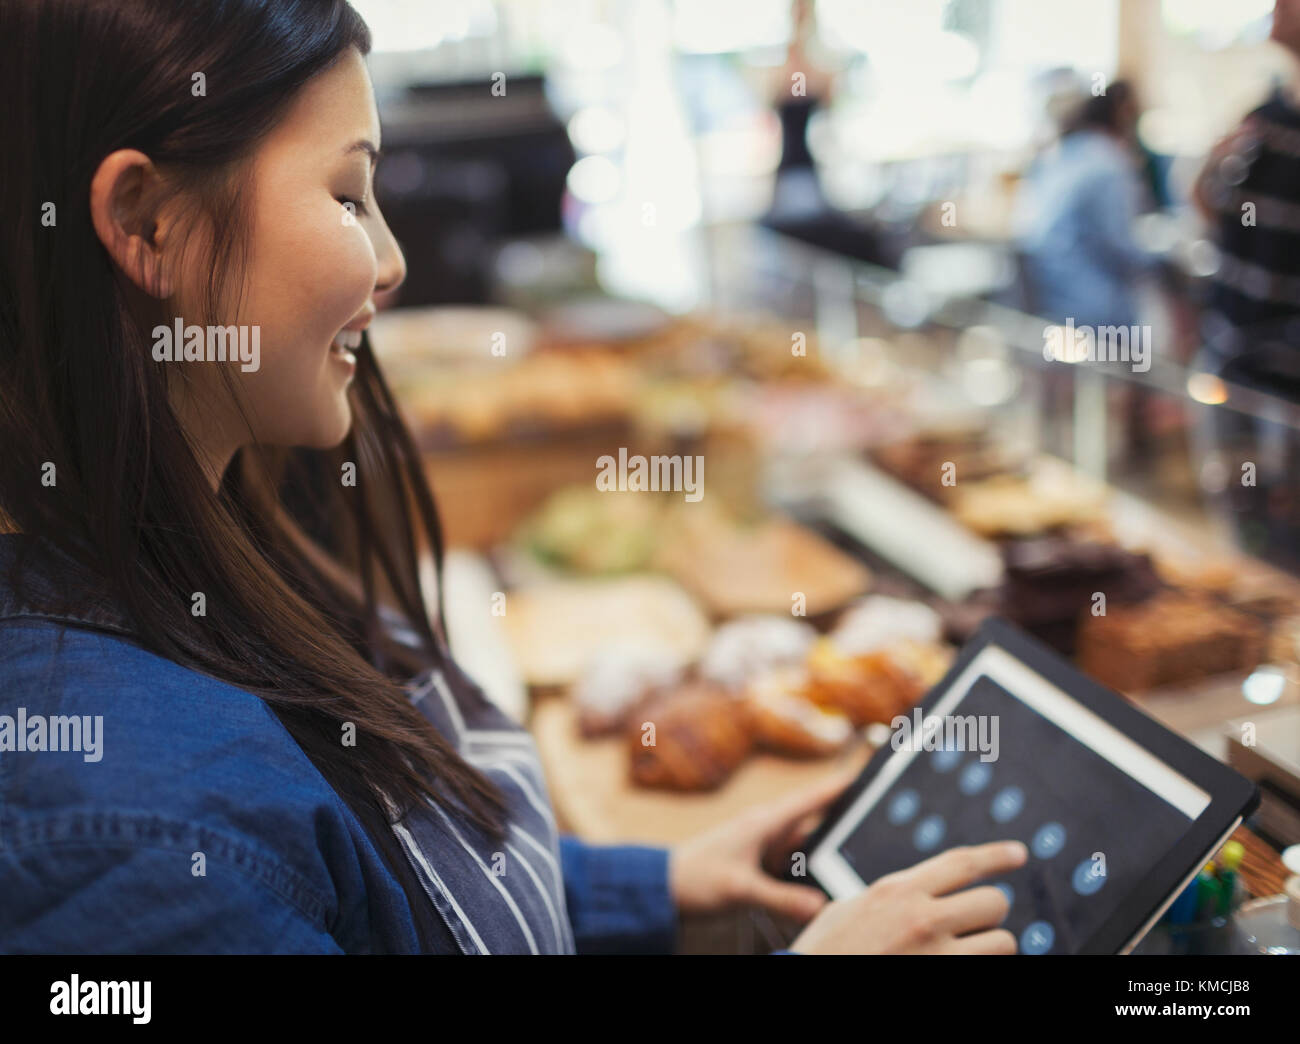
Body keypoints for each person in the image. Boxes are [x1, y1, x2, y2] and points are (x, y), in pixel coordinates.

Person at [0, 0, 1026, 955]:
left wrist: (647, 882)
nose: (392, 260)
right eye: (347, 193)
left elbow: (380, 880)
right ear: (147, 225)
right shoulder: (120, 834)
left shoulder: (201, 550)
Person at [1189, 0, 1300, 573]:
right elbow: (1215, 210)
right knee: (1243, 534)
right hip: (1233, 359)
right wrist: (1210, 168)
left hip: (1288, 382)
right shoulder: (1265, 117)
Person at [1013, 81, 1155, 330]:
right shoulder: (1108, 162)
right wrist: (1163, 255)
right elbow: (1121, 244)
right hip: (1092, 306)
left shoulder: (1063, 153)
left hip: (1048, 294)